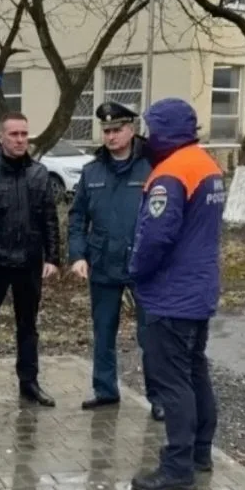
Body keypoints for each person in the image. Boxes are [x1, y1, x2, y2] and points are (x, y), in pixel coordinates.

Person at [127, 98, 224, 490]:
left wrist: (135, 271)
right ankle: (200, 452)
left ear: (166, 131)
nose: (145, 137)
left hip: (171, 294)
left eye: (151, 129)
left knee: (173, 381)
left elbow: (155, 237)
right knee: (195, 371)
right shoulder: (206, 165)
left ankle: (178, 466)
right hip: (198, 289)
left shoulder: (170, 174)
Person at [68, 101, 162, 419]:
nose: (110, 136)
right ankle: (105, 391)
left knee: (150, 334)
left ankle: (159, 398)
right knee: (104, 330)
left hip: (143, 265)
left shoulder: (152, 167)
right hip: (103, 262)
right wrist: (78, 255)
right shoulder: (92, 171)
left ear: (131, 130)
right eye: (106, 130)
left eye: (117, 129)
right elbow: (77, 218)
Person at [0, 112, 61, 413]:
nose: (20, 140)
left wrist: (53, 256)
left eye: (24, 134)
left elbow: (49, 218)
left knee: (28, 326)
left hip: (29, 262)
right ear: (1, 137)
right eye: (14, 134)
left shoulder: (39, 173)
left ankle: (29, 383)